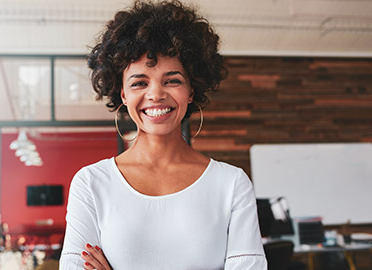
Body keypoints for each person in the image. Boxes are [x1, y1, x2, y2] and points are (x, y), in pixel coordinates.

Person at [59, 0, 267, 269]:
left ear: (191, 91)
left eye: (172, 80)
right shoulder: (90, 184)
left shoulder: (232, 184)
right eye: (139, 83)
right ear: (123, 93)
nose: (156, 94)